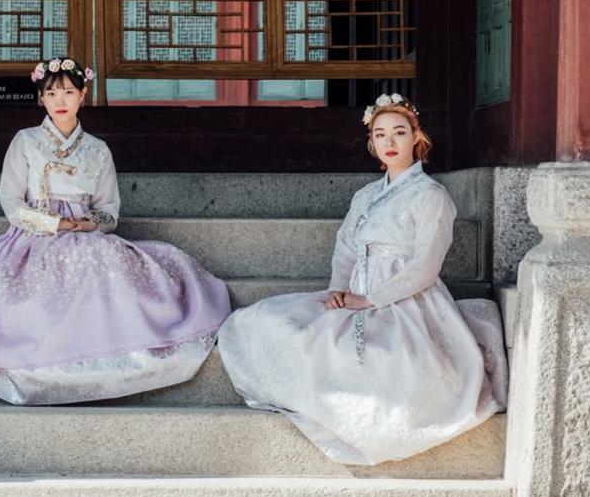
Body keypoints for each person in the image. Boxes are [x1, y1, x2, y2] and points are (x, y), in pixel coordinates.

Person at [217, 94, 508, 465]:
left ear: (416, 137)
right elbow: (346, 248)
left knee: (379, 356)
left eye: (399, 133)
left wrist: (372, 300)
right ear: (371, 141)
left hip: (406, 299)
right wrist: (339, 290)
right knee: (266, 320)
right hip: (356, 292)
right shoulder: (366, 195)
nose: (390, 142)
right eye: (380, 134)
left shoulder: (431, 196)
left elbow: (425, 266)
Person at [0, 58, 231, 405]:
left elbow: (109, 208)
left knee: (106, 263)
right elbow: (10, 200)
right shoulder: (25, 141)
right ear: (41, 97)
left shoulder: (97, 149)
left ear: (83, 95)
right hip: (36, 236)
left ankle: (118, 348)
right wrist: (52, 224)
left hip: (85, 235)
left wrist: (90, 224)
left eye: (68, 92)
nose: (60, 100)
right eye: (52, 92)